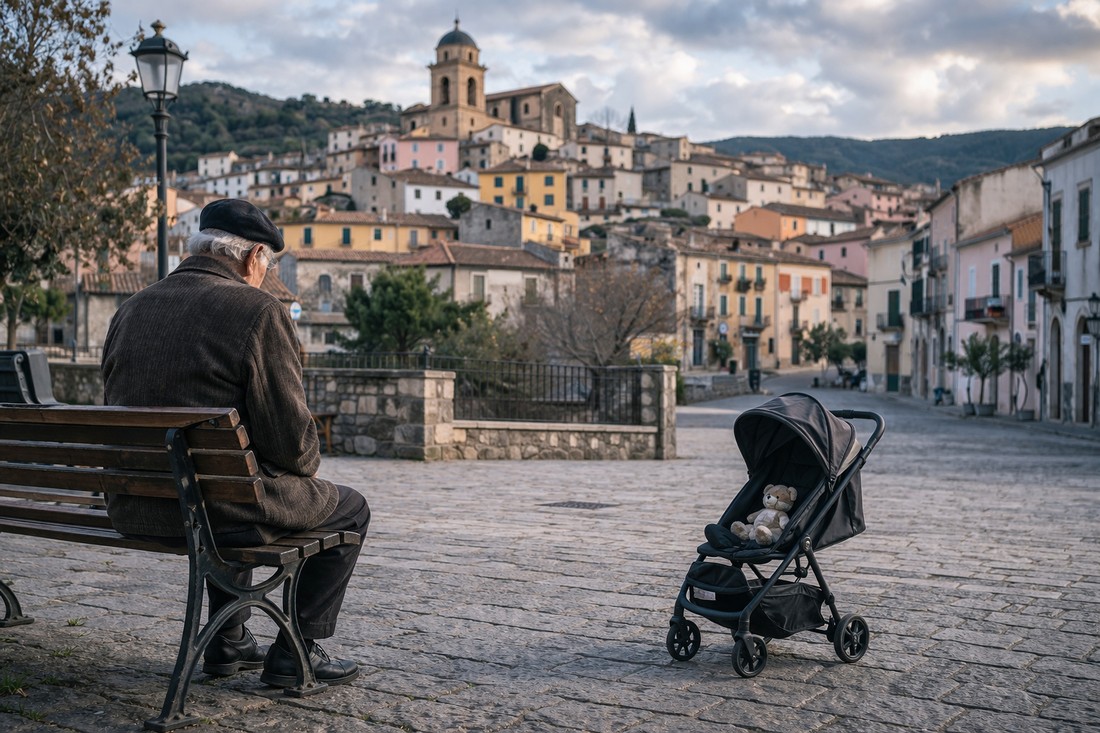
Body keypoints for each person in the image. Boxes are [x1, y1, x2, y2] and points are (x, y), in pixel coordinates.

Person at [101, 198, 369, 687]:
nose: (265, 276)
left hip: (134, 506)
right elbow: (294, 449)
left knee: (233, 489)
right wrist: (302, 452)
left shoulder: (130, 308)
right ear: (252, 258)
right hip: (218, 512)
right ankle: (296, 650)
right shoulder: (259, 311)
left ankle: (229, 639)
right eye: (267, 265)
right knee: (348, 507)